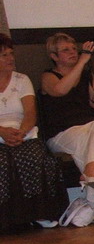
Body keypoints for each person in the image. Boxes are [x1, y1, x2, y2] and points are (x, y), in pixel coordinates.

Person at [39, 33, 94, 224]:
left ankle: (91, 171)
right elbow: (60, 90)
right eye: (66, 50)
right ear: (54, 56)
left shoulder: (85, 75)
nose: (73, 52)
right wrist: (83, 61)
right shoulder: (48, 76)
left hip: (89, 130)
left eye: (74, 49)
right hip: (61, 134)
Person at [0, 33, 67, 231]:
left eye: (11, 53)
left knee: (37, 158)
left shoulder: (22, 80)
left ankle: (39, 213)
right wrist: (2, 132)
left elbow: (30, 113)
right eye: (4, 55)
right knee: (3, 162)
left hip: (23, 134)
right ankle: (6, 218)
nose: (11, 58)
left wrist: (21, 132)